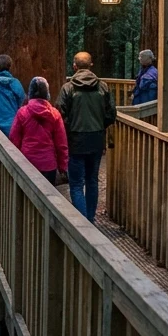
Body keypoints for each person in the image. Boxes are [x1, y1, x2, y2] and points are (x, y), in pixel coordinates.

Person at [57, 52, 116, 222]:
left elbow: (60, 112)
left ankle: (82, 225)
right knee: (92, 180)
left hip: (75, 139)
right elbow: (111, 113)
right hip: (97, 138)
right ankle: (90, 219)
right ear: (91, 65)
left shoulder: (67, 88)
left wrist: (70, 127)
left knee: (76, 184)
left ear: (74, 67)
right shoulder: (103, 86)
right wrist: (100, 126)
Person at [9, 77, 68, 185]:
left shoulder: (22, 112)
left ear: (30, 93)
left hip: (27, 162)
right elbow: (61, 143)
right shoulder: (55, 114)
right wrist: (63, 166)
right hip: (48, 164)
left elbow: (14, 138)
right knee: (48, 198)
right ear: (47, 93)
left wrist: (15, 160)